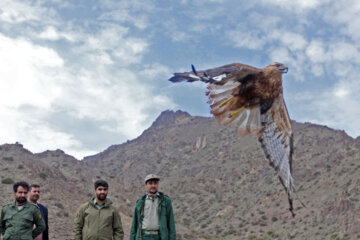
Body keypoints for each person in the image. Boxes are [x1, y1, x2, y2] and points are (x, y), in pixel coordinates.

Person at [130, 174, 176, 240]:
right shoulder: (140, 202)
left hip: (160, 236)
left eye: (155, 183)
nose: (153, 185)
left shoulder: (166, 201)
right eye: (150, 183)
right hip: (143, 236)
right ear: (145, 185)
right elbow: (134, 225)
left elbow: (171, 224)